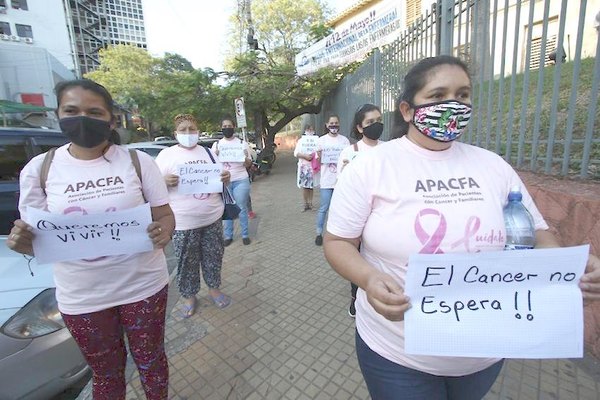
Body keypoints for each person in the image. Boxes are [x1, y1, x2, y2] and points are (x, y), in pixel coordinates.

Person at [323, 56, 600, 400]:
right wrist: (367, 279)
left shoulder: (493, 166)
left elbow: (538, 233)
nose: (454, 104)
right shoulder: (370, 168)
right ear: (407, 110)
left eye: (463, 94)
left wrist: (564, 268)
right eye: (438, 95)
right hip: (397, 353)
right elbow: (337, 242)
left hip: (486, 353)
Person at [6, 79, 175, 400]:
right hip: (82, 298)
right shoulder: (39, 170)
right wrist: (21, 242)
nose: (82, 118)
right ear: (58, 114)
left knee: (151, 362)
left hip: (144, 287)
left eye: (94, 112)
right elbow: (38, 242)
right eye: (72, 110)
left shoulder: (138, 162)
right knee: (107, 375)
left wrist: (163, 231)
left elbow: (165, 215)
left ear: (111, 120)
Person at [155, 114, 232, 317]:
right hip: (182, 222)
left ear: (198, 131)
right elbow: (151, 187)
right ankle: (189, 296)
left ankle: (214, 289)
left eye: (192, 129)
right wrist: (163, 181)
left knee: (214, 256)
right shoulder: (166, 156)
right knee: (186, 261)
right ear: (176, 133)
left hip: (212, 218)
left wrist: (226, 177)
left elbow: (222, 178)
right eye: (183, 130)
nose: (188, 133)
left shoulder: (208, 152)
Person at [336, 104, 384, 318]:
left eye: (379, 120)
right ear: (360, 127)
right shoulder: (349, 152)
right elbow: (341, 184)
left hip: (382, 215)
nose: (376, 125)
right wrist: (346, 174)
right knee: (357, 259)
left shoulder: (388, 149)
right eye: (370, 122)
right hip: (357, 217)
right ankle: (356, 297)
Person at [212, 117, 253, 246]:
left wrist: (245, 158)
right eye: (224, 126)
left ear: (234, 127)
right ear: (221, 128)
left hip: (240, 179)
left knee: (241, 207)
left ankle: (245, 234)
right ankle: (228, 235)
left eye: (229, 126)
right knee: (227, 208)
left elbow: (249, 164)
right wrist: (216, 156)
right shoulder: (217, 145)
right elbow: (212, 166)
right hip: (224, 182)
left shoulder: (242, 143)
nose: (227, 128)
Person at [314, 115, 349, 246]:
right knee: (324, 207)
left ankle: (340, 234)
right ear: (327, 125)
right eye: (331, 123)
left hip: (340, 181)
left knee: (340, 209)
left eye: (336, 123)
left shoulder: (344, 141)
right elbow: (317, 161)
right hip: (326, 180)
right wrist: (319, 156)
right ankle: (319, 233)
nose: (334, 125)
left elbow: (348, 158)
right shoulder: (321, 141)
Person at [294, 124, 318, 211]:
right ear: (305, 131)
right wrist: (304, 156)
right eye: (309, 130)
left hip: (313, 166)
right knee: (305, 186)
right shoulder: (301, 141)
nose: (310, 132)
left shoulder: (317, 140)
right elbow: (296, 153)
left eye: (312, 130)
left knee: (311, 186)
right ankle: (305, 204)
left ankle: (311, 203)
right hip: (304, 167)